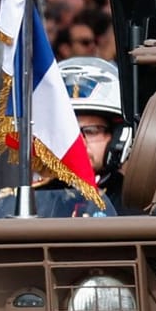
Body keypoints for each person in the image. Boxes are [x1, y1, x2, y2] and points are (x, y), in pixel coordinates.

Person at [58, 56, 130, 212]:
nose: (79, 143)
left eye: (91, 131)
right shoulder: (26, 201)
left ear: (116, 137)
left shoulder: (138, 202)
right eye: (67, 131)